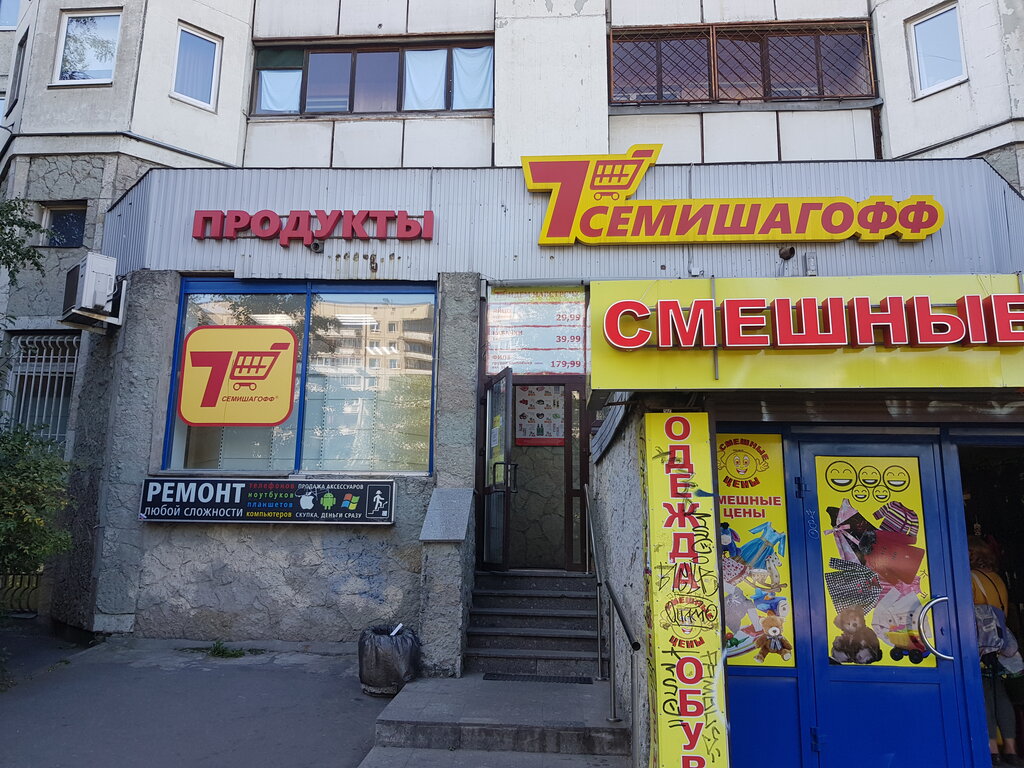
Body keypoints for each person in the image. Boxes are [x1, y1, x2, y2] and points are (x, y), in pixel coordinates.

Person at [969, 536, 1022, 766]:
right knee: (1000, 694)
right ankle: (1011, 748)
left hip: (980, 643)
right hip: (1000, 642)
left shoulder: (970, 578)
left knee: (984, 695)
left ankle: (992, 749)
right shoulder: (998, 579)